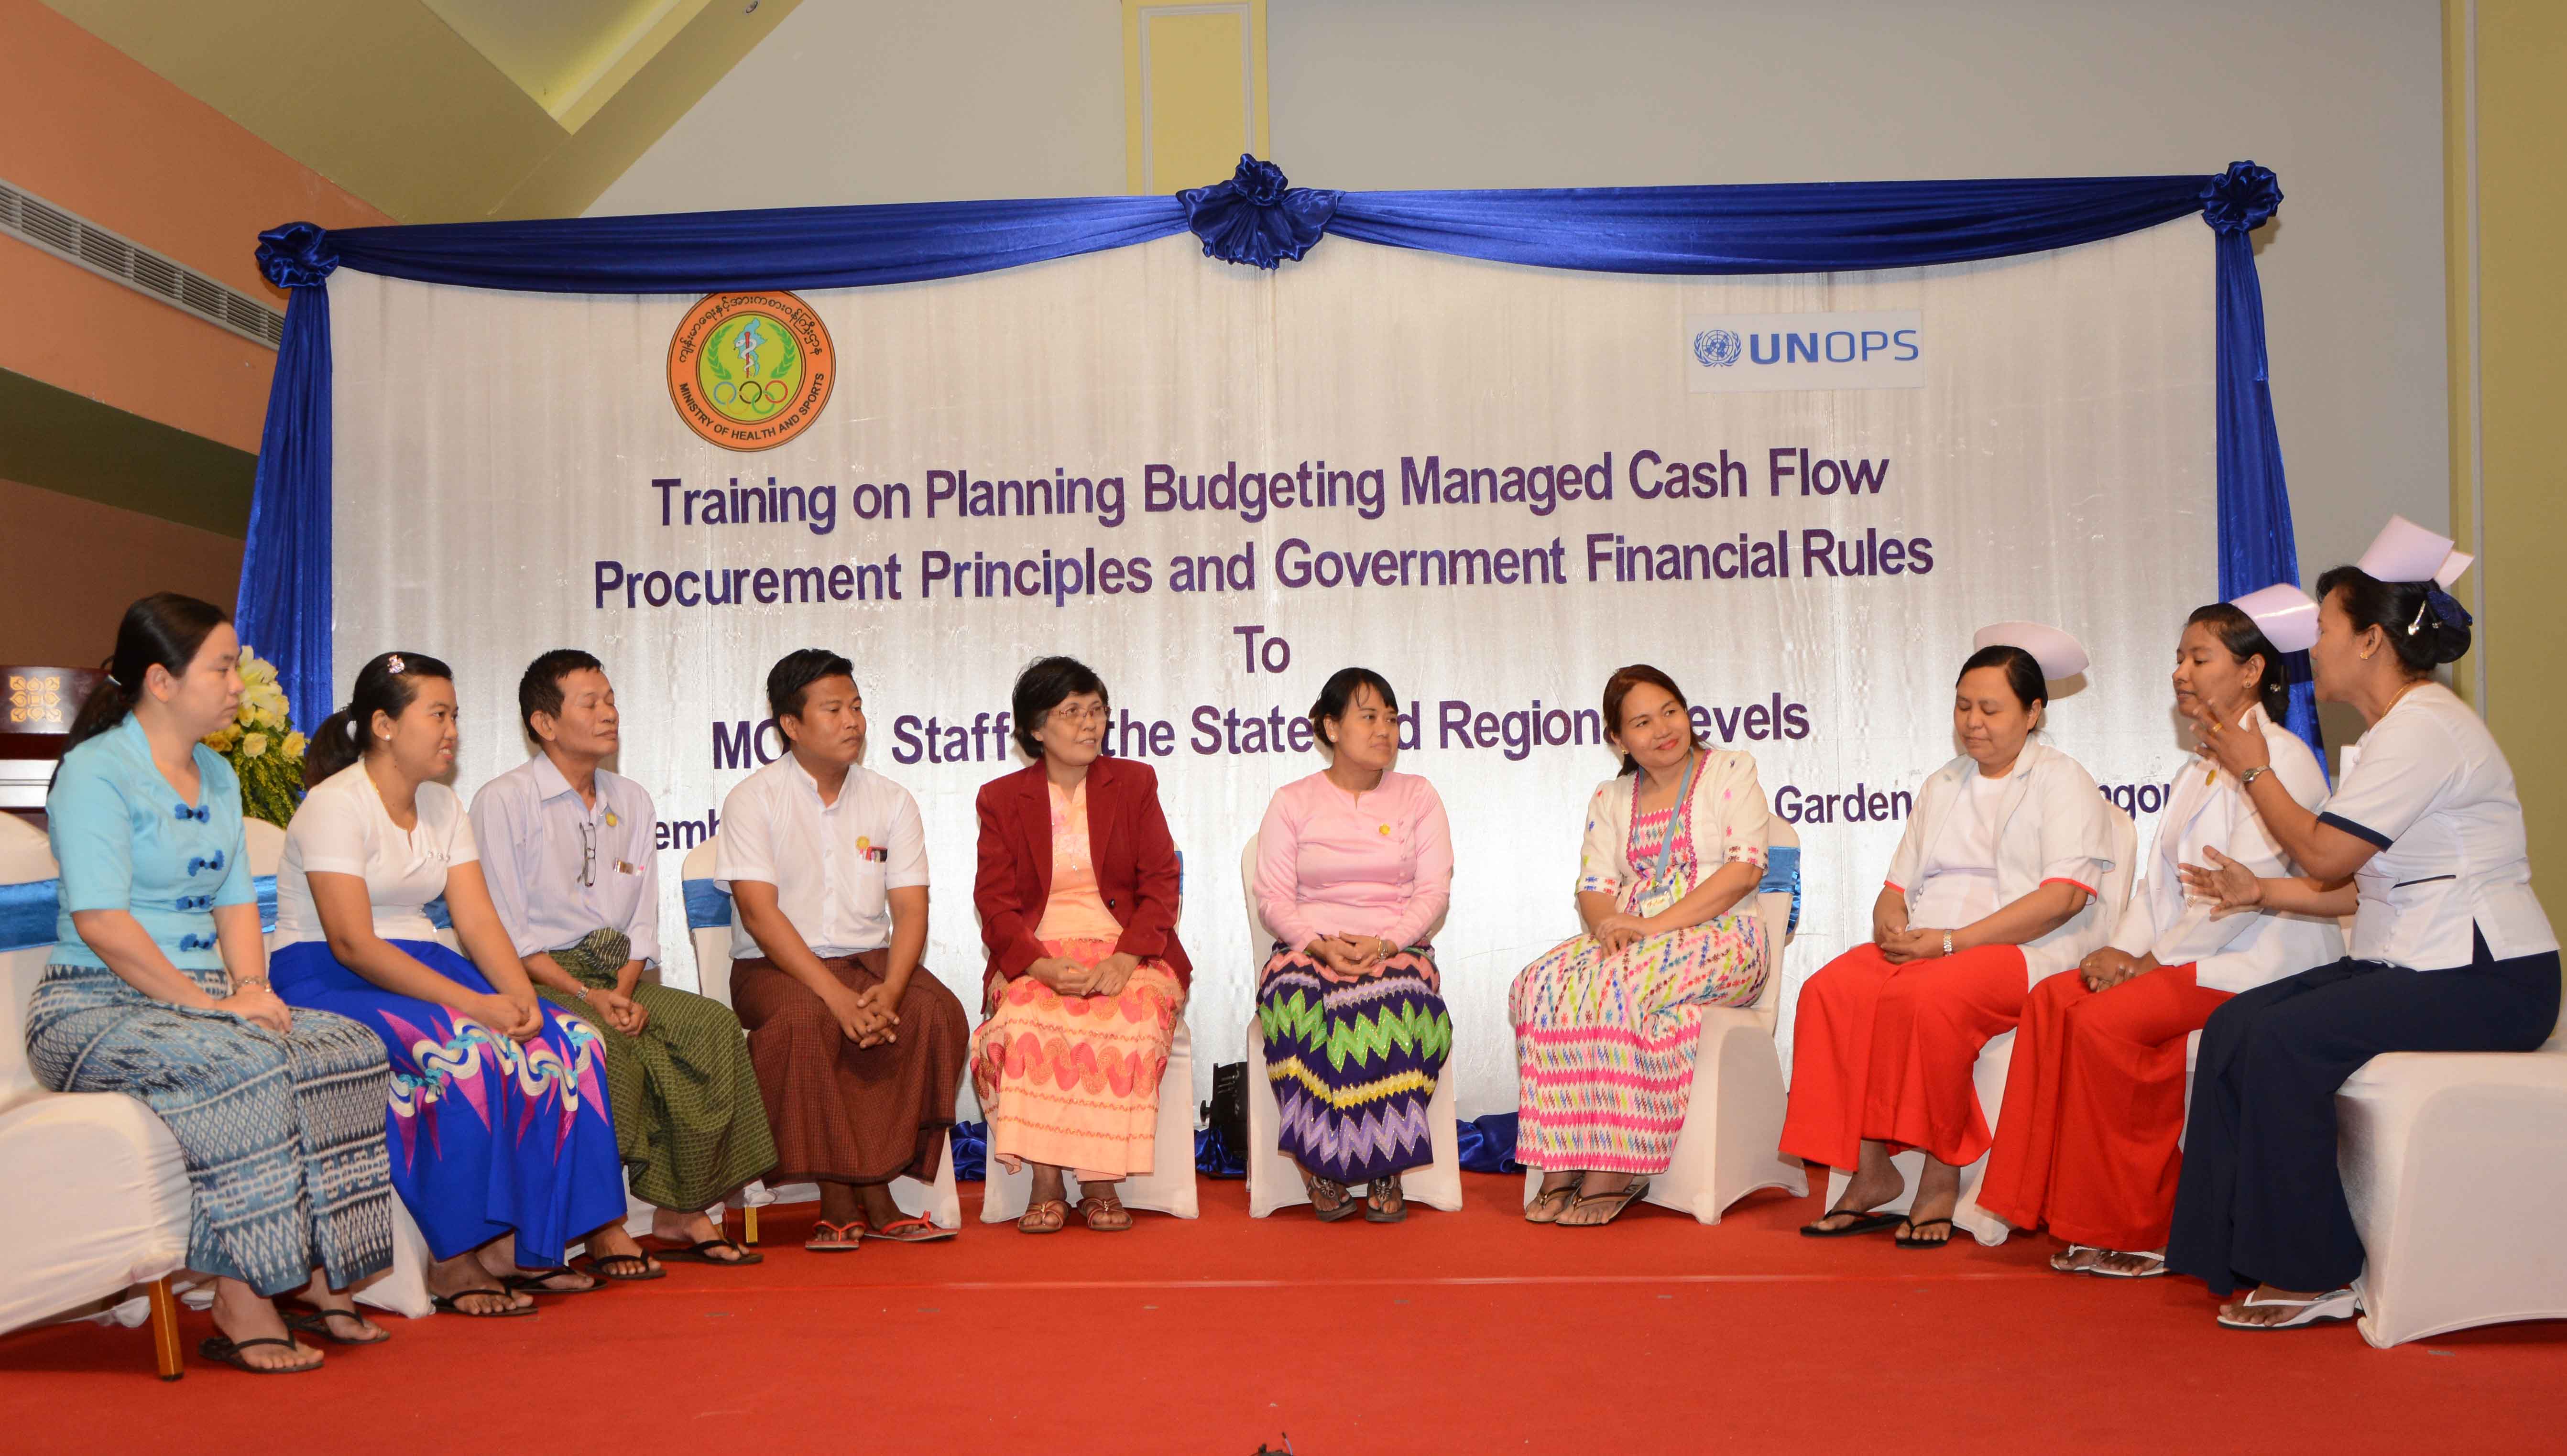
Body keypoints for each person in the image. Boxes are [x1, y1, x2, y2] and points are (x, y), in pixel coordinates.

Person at [2173, 519, 2558, 1329]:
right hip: (2413, 960)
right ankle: (2222, 1252)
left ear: (2371, 641)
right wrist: (2257, 893)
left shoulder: (2424, 730)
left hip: (2489, 977)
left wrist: (2250, 764)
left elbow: (2321, 857)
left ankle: (2314, 1272)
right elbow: (2357, 892)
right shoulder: (2397, 733)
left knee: (2282, 1041)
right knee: (2237, 1023)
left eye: (2322, 629)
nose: (2309, 648)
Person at [28, 595, 395, 1373]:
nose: (236, 683)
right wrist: (214, 1008)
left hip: (202, 1002)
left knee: (346, 1046)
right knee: (242, 1060)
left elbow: (235, 899)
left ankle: (326, 1276)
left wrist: (252, 988)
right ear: (162, 681)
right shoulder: (97, 774)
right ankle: (240, 1293)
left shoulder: (219, 776)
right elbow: (102, 924)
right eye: (221, 668)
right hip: (93, 1007)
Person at [1977, 597, 2341, 1277]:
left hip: (2257, 965)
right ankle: (2048, 1204)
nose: (2180, 672)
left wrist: (2146, 963)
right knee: (2056, 1000)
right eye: (2179, 657)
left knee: (2108, 1023)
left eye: (2199, 658)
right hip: (2189, 958)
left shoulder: (2283, 760)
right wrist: (2123, 952)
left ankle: (2143, 1227)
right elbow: (2157, 889)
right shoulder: (2195, 768)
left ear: (2252, 670)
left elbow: (2239, 895)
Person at [269, 652, 627, 1315]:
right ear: (383, 724)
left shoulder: (441, 802)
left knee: (570, 1041)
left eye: (455, 715)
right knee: (466, 1049)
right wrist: (474, 1003)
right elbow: (351, 941)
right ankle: (454, 1257)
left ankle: (522, 1248)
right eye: (438, 714)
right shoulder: (333, 805)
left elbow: (476, 915)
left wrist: (517, 994)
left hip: (424, 965)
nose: (451, 730)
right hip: (327, 974)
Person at [1782, 624, 2118, 1248]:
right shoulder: (1942, 782)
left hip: (2022, 950)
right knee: (1830, 990)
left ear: (2033, 712)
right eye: (1963, 706)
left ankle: (1942, 1174)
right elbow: (1896, 884)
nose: (1972, 721)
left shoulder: (2061, 779)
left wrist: (1952, 942)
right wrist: (1889, 915)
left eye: (1990, 708)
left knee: (1928, 998)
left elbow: (2061, 898)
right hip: (1929, 943)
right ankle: (1871, 1170)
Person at [470, 650, 776, 1271]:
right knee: (607, 1039)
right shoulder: (504, 800)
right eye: (591, 702)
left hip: (619, 974)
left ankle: (683, 1205)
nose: (609, 713)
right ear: (544, 723)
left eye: (610, 698)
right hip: (535, 978)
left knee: (710, 1027)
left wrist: (626, 986)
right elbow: (503, 929)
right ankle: (604, 1222)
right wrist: (591, 997)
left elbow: (640, 919)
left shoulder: (630, 799)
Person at [716, 650, 967, 1252]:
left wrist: (893, 988)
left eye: (856, 706)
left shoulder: (890, 799)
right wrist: (837, 997)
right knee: (806, 1019)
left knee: (936, 1014)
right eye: (833, 709)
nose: (853, 720)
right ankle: (842, 1194)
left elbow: (910, 909)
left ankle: (876, 1187)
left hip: (870, 962)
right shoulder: (753, 799)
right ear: (791, 725)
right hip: (773, 966)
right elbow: (759, 914)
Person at [1510, 665, 1771, 1228]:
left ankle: (1615, 1164)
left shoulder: (1729, 768)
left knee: (1618, 981)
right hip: (1632, 934)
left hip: (1722, 936)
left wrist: (1653, 928)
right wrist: (1610, 927)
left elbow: (1745, 871)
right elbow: (1594, 889)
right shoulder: (1611, 795)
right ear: (1617, 739)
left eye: (1670, 712)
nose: (1662, 730)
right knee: (1539, 983)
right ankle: (1561, 1159)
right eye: (1642, 722)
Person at [972, 656, 1191, 1233]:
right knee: (1022, 1018)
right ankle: (1045, 1180)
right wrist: (1037, 966)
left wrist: (1127, 957)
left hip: (1126, 949)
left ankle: (1098, 1179)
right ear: (1035, 728)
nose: (1089, 724)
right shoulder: (1000, 798)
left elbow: (1161, 884)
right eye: (1071, 713)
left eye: (1096, 710)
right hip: (1039, 951)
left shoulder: (1135, 782)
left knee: (1131, 1014)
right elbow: (994, 903)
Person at [1253, 668, 1453, 1223]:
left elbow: (1434, 892)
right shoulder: (1293, 801)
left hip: (1397, 946)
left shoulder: (1418, 796)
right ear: (1330, 726)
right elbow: (1272, 896)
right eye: (1368, 716)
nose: (1384, 729)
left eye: (1391, 718)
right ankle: (1318, 1168)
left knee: (1403, 1000)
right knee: (1292, 998)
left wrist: (1388, 943)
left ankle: (1385, 1160)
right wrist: (1315, 945)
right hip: (1308, 948)